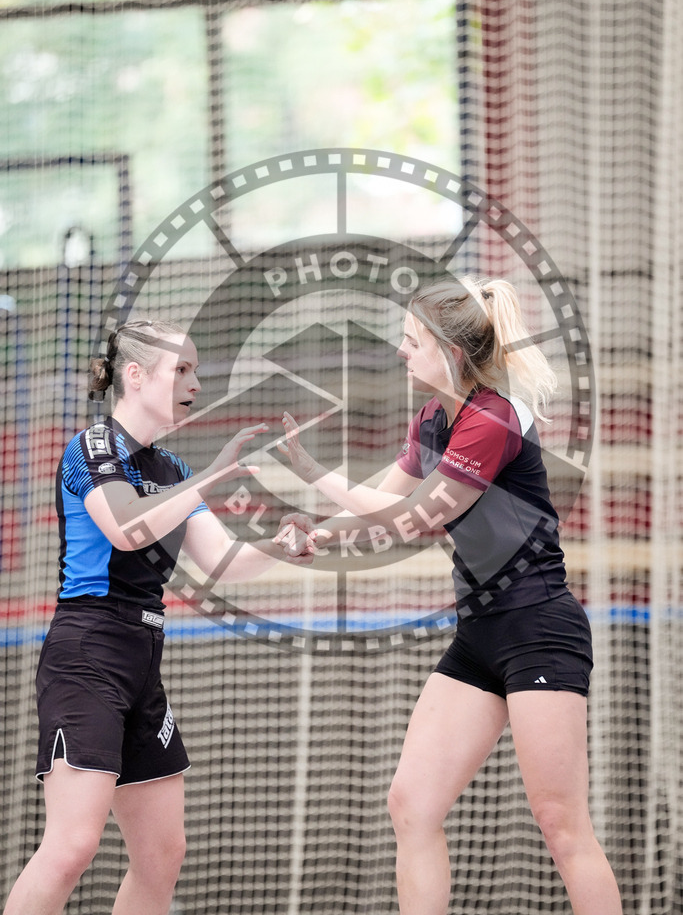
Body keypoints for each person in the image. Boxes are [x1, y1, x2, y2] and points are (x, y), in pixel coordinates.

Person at [275, 277, 622, 915]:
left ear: (450, 353)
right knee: (412, 804)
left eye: (412, 341)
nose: (402, 352)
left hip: (539, 628)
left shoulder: (491, 418)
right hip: (480, 635)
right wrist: (320, 532)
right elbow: (384, 494)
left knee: (560, 823)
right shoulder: (434, 416)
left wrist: (313, 474)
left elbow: (418, 516)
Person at [3, 319, 312, 915]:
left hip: (144, 661)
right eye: (182, 370)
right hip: (88, 653)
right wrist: (214, 474)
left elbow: (222, 560)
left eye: (196, 370)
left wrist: (280, 545)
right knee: (72, 846)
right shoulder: (94, 446)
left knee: (163, 854)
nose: (194, 382)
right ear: (137, 376)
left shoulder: (170, 467)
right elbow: (125, 529)